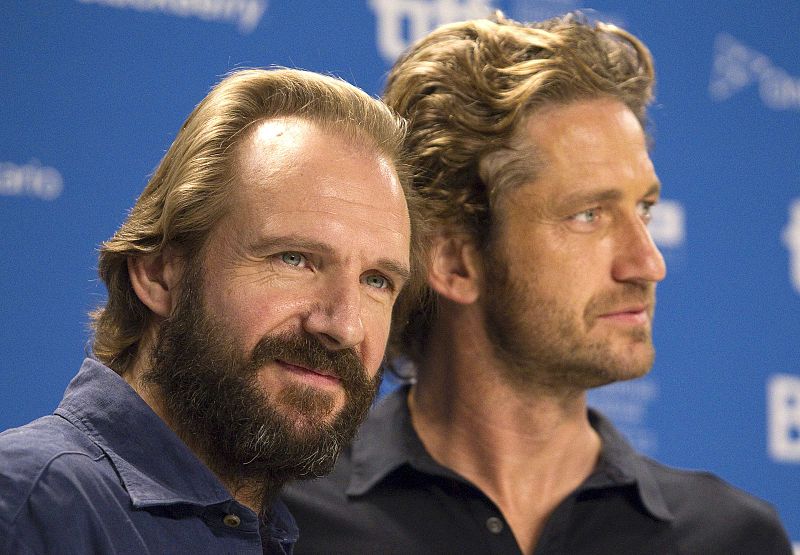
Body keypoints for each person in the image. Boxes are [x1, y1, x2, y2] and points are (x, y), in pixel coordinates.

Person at [282, 13, 793, 554]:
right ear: (454, 263)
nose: (648, 263)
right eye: (588, 215)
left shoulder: (732, 539)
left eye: (644, 209)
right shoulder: (284, 517)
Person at [0, 67, 422, 554]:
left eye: (377, 280)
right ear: (160, 274)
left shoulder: (267, 531)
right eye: (294, 259)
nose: (344, 325)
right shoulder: (29, 509)